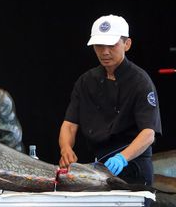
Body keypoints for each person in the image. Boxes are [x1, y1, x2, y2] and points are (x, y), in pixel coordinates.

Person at [58, 14, 162, 187]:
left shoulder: (140, 82)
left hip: (133, 166)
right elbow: (69, 124)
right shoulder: (85, 81)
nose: (105, 52)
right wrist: (66, 148)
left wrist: (123, 158)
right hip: (100, 167)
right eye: (99, 46)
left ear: (126, 44)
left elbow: (148, 133)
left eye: (111, 45)